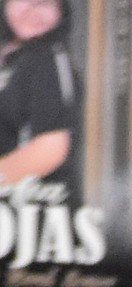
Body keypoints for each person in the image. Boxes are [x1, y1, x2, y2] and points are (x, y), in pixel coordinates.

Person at [0, 0, 78, 193]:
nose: (32, 11)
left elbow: (50, 149)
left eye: (44, 3)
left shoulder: (48, 58)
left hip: (34, 210)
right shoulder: (13, 59)